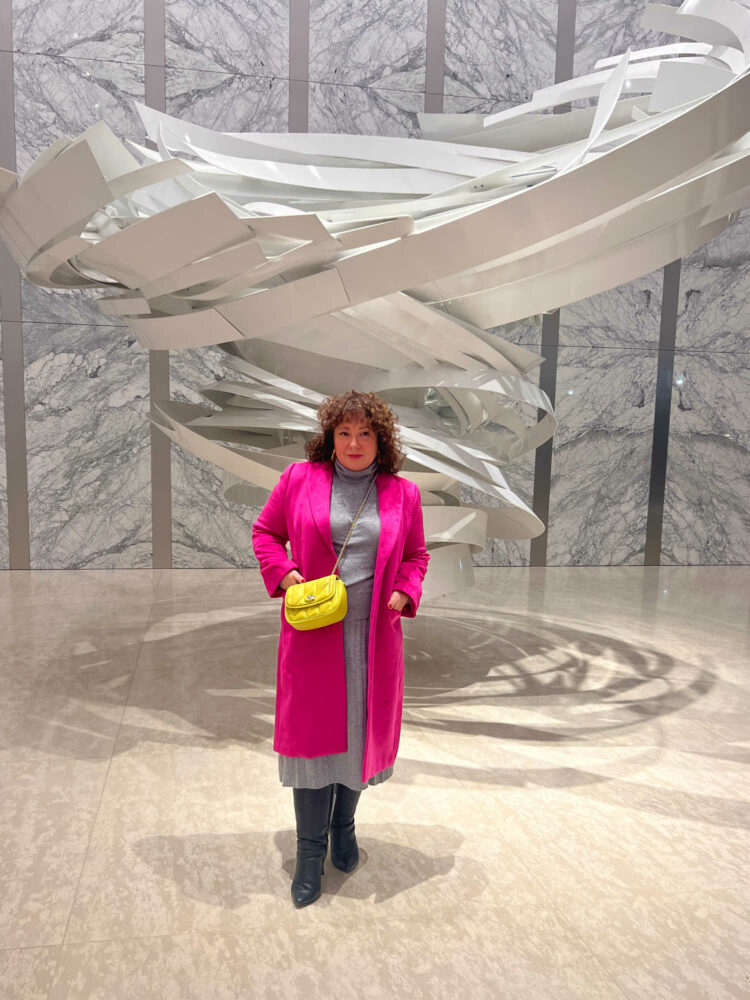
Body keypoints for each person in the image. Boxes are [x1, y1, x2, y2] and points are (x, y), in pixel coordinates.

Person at [251, 390, 430, 908]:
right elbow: (266, 533)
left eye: (366, 434)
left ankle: (344, 828)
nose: (354, 443)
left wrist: (403, 590)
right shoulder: (298, 479)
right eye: (344, 433)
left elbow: (417, 555)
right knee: (312, 746)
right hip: (312, 638)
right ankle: (310, 855)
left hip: (372, 641)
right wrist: (285, 577)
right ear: (330, 436)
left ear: (382, 440)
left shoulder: (403, 493)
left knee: (356, 740)